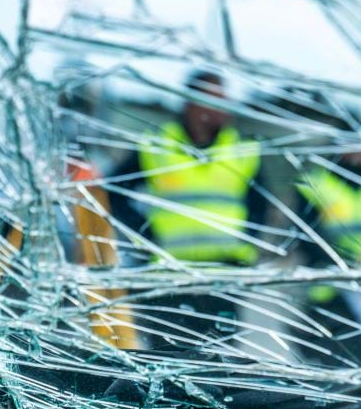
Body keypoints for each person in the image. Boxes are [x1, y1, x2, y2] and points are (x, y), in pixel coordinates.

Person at [107, 70, 267, 349]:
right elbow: (113, 193)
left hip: (223, 275)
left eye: (223, 101)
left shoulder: (243, 150)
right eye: (211, 101)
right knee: (170, 360)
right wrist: (145, 234)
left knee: (221, 363)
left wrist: (246, 241)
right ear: (190, 104)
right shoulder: (157, 146)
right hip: (169, 275)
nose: (220, 110)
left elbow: (261, 206)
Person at [293, 144, 361, 367]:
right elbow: (305, 236)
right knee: (337, 364)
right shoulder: (316, 185)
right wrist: (344, 265)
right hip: (329, 293)